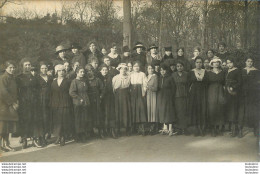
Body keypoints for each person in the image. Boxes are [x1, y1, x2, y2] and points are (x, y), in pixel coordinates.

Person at [16, 59, 39, 148]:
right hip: (23, 103)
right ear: (22, 66)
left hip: (33, 102)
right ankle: (24, 139)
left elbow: (37, 89)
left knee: (33, 120)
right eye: (26, 65)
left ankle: (34, 139)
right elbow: (16, 91)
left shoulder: (34, 77)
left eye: (29, 65)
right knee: (24, 121)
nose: (28, 66)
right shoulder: (19, 77)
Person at [50, 64, 73, 146]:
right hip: (56, 104)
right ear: (56, 72)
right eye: (59, 71)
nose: (61, 72)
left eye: (63, 70)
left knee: (64, 120)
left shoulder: (68, 81)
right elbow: (52, 93)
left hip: (65, 103)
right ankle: (58, 136)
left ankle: (63, 137)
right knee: (57, 121)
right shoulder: (53, 82)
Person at [238, 57, 260, 137]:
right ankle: (240, 129)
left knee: (253, 110)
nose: (250, 63)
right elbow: (239, 82)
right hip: (243, 93)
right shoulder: (242, 71)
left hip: (253, 94)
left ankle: (256, 128)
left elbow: (258, 83)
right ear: (245, 62)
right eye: (248, 61)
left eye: (251, 61)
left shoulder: (256, 71)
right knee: (242, 110)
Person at [0, 61, 19, 152]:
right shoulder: (3, 78)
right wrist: (12, 103)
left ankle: (6, 144)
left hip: (9, 106)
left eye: (13, 67)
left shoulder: (12, 78)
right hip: (3, 106)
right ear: (6, 68)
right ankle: (2, 145)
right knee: (2, 126)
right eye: (10, 67)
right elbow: (3, 92)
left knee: (7, 126)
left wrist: (16, 101)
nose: (12, 69)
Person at [69, 66, 90, 142]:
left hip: (85, 102)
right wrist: (79, 98)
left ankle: (84, 133)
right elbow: (71, 92)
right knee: (78, 119)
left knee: (84, 118)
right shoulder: (74, 81)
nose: (82, 73)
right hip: (78, 103)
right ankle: (78, 134)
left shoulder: (84, 81)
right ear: (77, 73)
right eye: (81, 72)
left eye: (83, 72)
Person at [188, 57, 208, 136]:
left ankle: (202, 129)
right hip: (194, 93)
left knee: (202, 110)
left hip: (202, 92)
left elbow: (207, 82)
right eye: (197, 62)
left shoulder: (205, 72)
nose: (198, 64)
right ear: (195, 63)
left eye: (200, 62)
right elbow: (189, 82)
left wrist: (202, 80)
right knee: (195, 110)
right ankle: (196, 129)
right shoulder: (191, 72)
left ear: (202, 63)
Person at [207, 58, 226, 137]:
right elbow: (206, 84)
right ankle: (213, 128)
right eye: (214, 62)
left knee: (220, 108)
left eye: (218, 62)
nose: (216, 64)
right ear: (212, 64)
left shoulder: (223, 72)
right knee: (212, 109)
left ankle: (219, 128)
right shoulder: (208, 73)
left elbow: (225, 82)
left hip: (220, 91)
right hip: (211, 91)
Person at [85, 64, 104, 138]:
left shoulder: (97, 80)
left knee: (98, 115)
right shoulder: (85, 81)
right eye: (87, 71)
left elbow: (102, 89)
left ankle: (100, 132)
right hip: (89, 100)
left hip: (96, 99)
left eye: (91, 70)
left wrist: (101, 96)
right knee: (89, 115)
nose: (89, 72)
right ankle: (91, 132)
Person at [157, 64, 176, 136]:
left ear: (166, 70)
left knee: (169, 112)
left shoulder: (170, 78)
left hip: (168, 96)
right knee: (163, 111)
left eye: (164, 70)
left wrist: (171, 96)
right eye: (161, 70)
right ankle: (165, 128)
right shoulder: (159, 78)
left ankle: (170, 128)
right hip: (161, 96)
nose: (162, 72)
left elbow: (173, 88)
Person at [112, 63, 132, 136]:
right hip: (118, 95)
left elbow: (129, 86)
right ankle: (118, 129)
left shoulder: (129, 77)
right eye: (121, 69)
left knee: (126, 110)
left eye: (125, 69)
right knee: (118, 111)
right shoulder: (115, 78)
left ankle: (127, 128)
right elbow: (113, 89)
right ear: (119, 69)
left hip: (126, 95)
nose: (123, 70)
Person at [225, 57, 242, 137]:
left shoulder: (237, 71)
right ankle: (232, 128)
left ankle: (236, 129)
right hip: (227, 93)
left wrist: (233, 87)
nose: (229, 64)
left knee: (234, 110)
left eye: (230, 62)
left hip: (234, 93)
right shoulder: (227, 71)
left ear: (233, 63)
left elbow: (240, 82)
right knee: (229, 109)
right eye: (228, 63)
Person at [99, 64, 117, 138]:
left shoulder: (110, 78)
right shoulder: (98, 78)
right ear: (100, 71)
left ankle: (112, 130)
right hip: (101, 98)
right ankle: (102, 131)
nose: (105, 71)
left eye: (106, 70)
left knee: (111, 113)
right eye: (103, 70)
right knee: (102, 114)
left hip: (110, 97)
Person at [130, 61, 147, 135]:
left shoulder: (142, 74)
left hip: (140, 91)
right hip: (133, 92)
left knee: (141, 108)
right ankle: (135, 128)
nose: (136, 68)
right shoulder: (130, 74)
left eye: (137, 66)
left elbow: (145, 83)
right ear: (133, 67)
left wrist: (143, 91)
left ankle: (142, 128)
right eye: (134, 66)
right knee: (134, 108)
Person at [38, 62, 53, 145]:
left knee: (50, 116)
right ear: (40, 69)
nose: (44, 69)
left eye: (45, 68)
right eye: (42, 68)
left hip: (50, 99)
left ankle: (49, 133)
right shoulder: (37, 78)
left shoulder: (50, 77)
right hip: (42, 100)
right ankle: (42, 137)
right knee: (43, 117)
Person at [172, 61, 189, 135]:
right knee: (178, 111)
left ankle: (185, 128)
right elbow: (172, 86)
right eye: (178, 66)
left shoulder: (186, 74)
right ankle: (178, 128)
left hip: (185, 95)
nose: (179, 67)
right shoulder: (173, 75)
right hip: (177, 95)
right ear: (176, 67)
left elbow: (188, 84)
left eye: (181, 66)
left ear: (183, 67)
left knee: (185, 111)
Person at [30, 66, 44, 147]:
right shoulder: (28, 79)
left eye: (35, 70)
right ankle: (28, 138)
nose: (33, 72)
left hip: (37, 101)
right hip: (28, 102)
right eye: (32, 71)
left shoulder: (38, 79)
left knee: (38, 119)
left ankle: (39, 137)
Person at [146, 64, 158, 135]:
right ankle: (150, 126)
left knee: (153, 110)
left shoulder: (155, 77)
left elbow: (155, 88)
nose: (150, 70)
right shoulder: (146, 77)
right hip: (147, 95)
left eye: (152, 68)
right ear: (147, 70)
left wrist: (148, 87)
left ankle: (153, 128)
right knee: (148, 110)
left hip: (153, 94)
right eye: (149, 68)